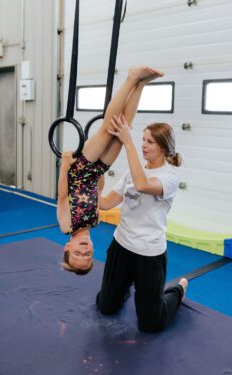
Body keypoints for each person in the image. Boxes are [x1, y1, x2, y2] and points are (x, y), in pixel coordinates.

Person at [57, 66, 164, 275]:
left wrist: (64, 166)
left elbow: (62, 197)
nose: (84, 251)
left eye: (77, 254)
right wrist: (100, 173)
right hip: (96, 171)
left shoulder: (66, 226)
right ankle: (140, 85)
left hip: (79, 171)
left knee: (108, 129)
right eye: (87, 255)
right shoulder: (94, 222)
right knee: (123, 130)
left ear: (67, 247)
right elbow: (96, 193)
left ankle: (131, 78)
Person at [96, 113, 188, 332]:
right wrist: (93, 177)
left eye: (150, 141)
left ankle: (179, 290)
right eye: (142, 140)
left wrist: (127, 141)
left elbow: (143, 185)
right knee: (105, 306)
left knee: (151, 324)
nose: (143, 145)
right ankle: (123, 287)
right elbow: (107, 203)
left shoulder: (170, 177)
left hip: (149, 253)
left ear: (164, 148)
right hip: (121, 246)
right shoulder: (133, 171)